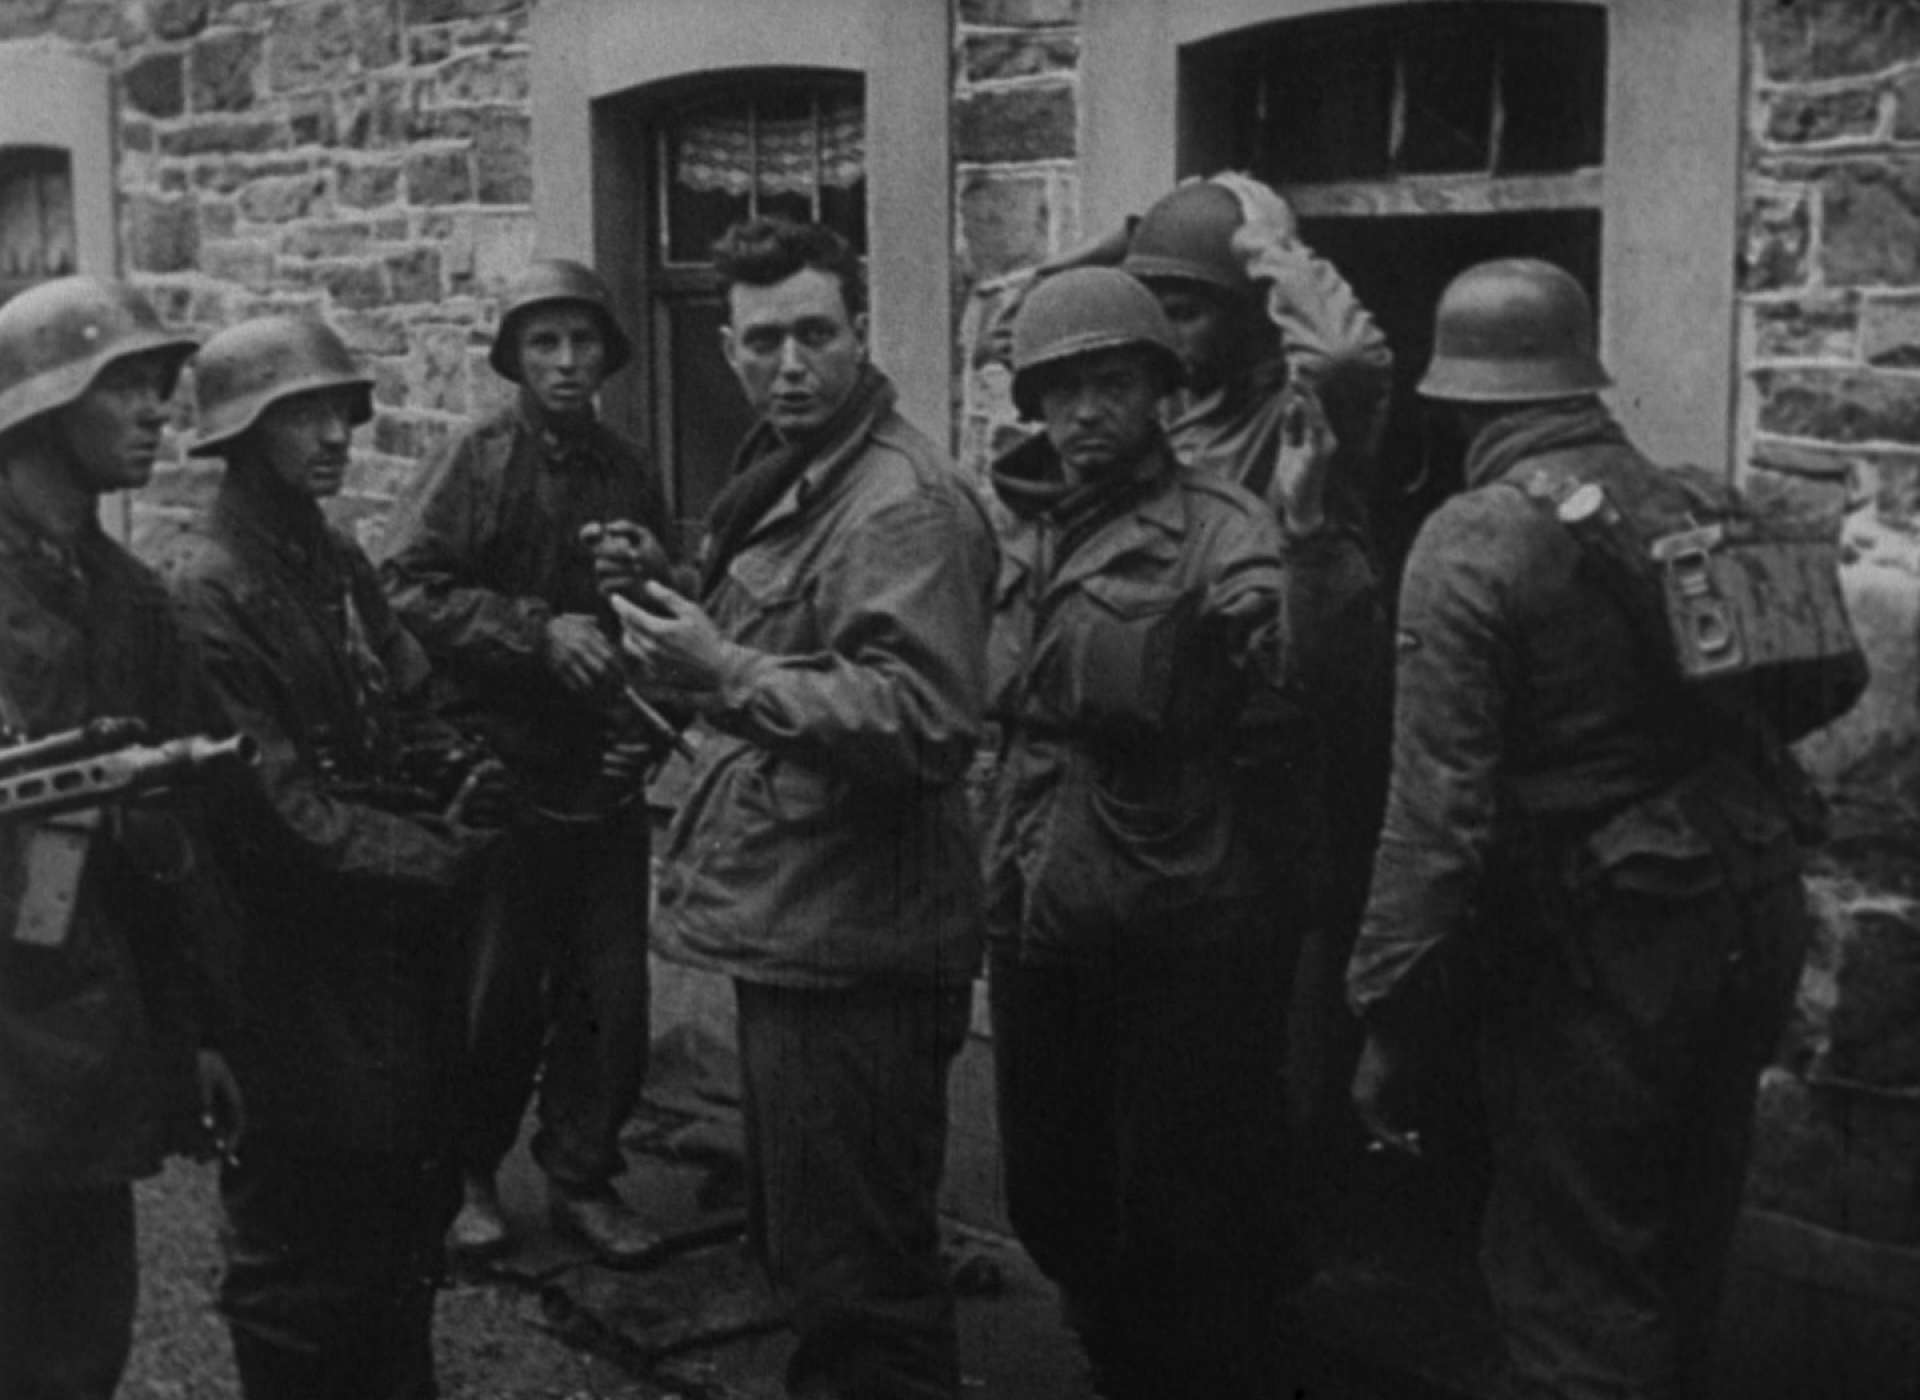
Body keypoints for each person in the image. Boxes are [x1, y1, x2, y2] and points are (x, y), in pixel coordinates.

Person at [1347, 260, 1831, 1400]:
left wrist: (1386, 1019)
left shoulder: (1472, 541)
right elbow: (1818, 687)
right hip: (1750, 907)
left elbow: (1435, 826)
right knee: (1682, 1232)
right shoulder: (1702, 500)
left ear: (1459, 402)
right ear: (1582, 377)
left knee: (1572, 1272)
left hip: (1605, 949)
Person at [608, 217, 995, 1400]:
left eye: (815, 333)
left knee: (861, 1286)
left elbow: (923, 722)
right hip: (803, 921)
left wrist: (720, 665)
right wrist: (679, 599)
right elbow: (805, 639)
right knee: (812, 1253)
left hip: (861, 946)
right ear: (727, 349)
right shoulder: (794, 474)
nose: (790, 363)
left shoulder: (898, 503)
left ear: (860, 331)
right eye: (763, 339)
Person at [979, 265, 1339, 1398]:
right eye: (1064, 387)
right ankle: (1113, 1341)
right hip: (1034, 890)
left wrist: (1314, 538)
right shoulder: (1004, 521)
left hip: (1177, 907)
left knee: (1189, 1192)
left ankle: (1186, 1366)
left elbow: (1295, 673)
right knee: (1047, 1182)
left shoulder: (1221, 530)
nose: (1088, 411)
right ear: (1032, 400)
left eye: (1116, 382)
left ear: (1162, 393)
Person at [1006, 172, 1397, 1192]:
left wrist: (1265, 237)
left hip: (1273, 756)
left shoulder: (1291, 419)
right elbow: (1036, 327)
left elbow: (1349, 353)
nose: (1165, 339)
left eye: (1185, 311)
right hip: (1114, 815)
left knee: (1254, 1090)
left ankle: (1265, 1279)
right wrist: (1127, 237)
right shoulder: (1125, 425)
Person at [162, 315, 502, 1400]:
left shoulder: (333, 556)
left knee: (401, 1228)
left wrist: (460, 766)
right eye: (300, 414)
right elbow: (277, 813)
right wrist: (445, 850)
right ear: (243, 433)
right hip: (284, 973)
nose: (334, 434)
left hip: (384, 955)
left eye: (339, 411)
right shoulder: (209, 589)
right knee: (299, 1262)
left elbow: (410, 691)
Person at [377, 258, 672, 1265]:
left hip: (601, 773)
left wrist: (650, 599)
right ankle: (469, 1170)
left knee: (612, 994)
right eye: (544, 341)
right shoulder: (476, 457)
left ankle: (584, 1175)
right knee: (494, 992)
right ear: (514, 356)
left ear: (608, 354)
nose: (566, 360)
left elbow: (669, 614)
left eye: (583, 340)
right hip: (499, 767)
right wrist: (537, 631)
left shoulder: (627, 467)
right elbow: (405, 585)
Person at [0, 275, 244, 1400]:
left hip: (80, 1026)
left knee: (78, 1341)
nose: (160, 412)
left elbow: (181, 838)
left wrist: (195, 1030)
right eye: (129, 388)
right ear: (46, 407)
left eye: (162, 387)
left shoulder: (132, 599)